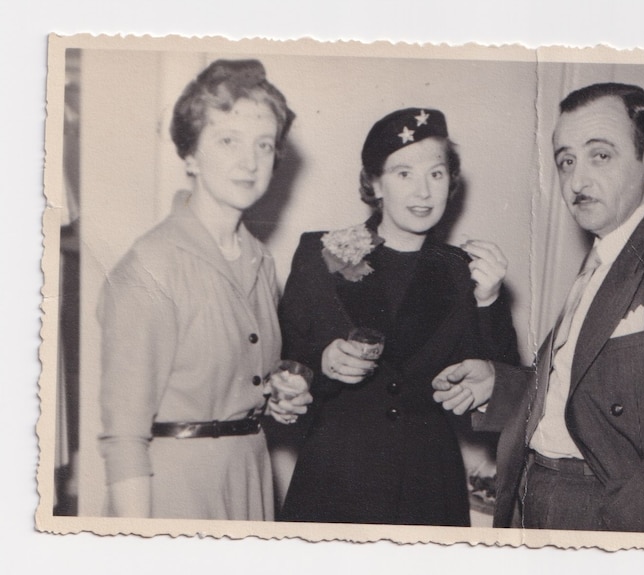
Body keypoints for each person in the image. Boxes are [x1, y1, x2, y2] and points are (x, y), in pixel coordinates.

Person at [433, 83, 644, 534]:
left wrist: (612, 529)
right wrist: (503, 385)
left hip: (615, 516)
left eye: (600, 155)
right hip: (535, 498)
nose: (576, 181)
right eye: (566, 161)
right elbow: (588, 395)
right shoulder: (602, 259)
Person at [276, 107, 519, 526]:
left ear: (451, 182)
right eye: (404, 174)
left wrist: (490, 300)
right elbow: (285, 357)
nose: (423, 192)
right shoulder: (322, 253)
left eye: (436, 175)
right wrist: (321, 361)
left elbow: (498, 391)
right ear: (374, 182)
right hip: (336, 475)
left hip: (427, 483)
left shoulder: (466, 271)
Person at [98, 59, 312, 520]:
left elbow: (235, 381)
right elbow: (124, 438)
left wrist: (277, 397)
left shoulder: (261, 259)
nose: (250, 161)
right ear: (190, 154)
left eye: (264, 145)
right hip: (174, 494)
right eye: (228, 141)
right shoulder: (149, 267)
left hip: (249, 479)